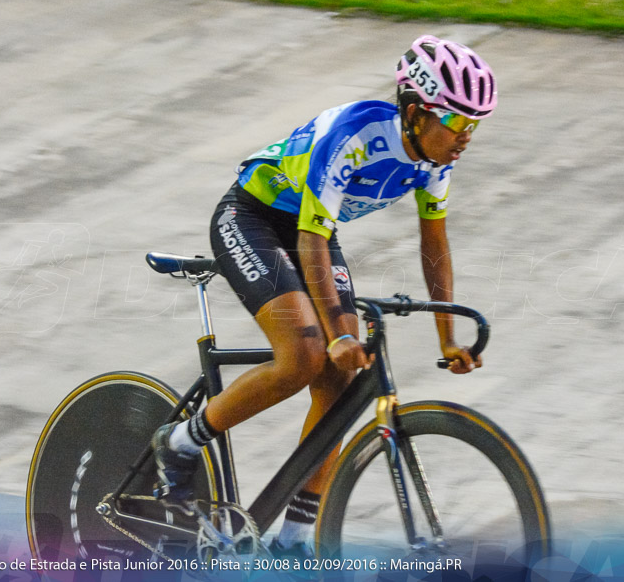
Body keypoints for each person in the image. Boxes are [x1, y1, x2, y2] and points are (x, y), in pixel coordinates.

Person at [150, 35, 498, 556]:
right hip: (254, 218)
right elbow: (311, 238)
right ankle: (178, 443)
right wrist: (335, 333)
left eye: (473, 125)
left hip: (313, 231)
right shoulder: (353, 135)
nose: (465, 137)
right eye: (456, 123)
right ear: (414, 112)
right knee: (307, 354)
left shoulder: (435, 159)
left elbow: (435, 241)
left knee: (342, 375)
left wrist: (447, 338)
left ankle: (293, 541)